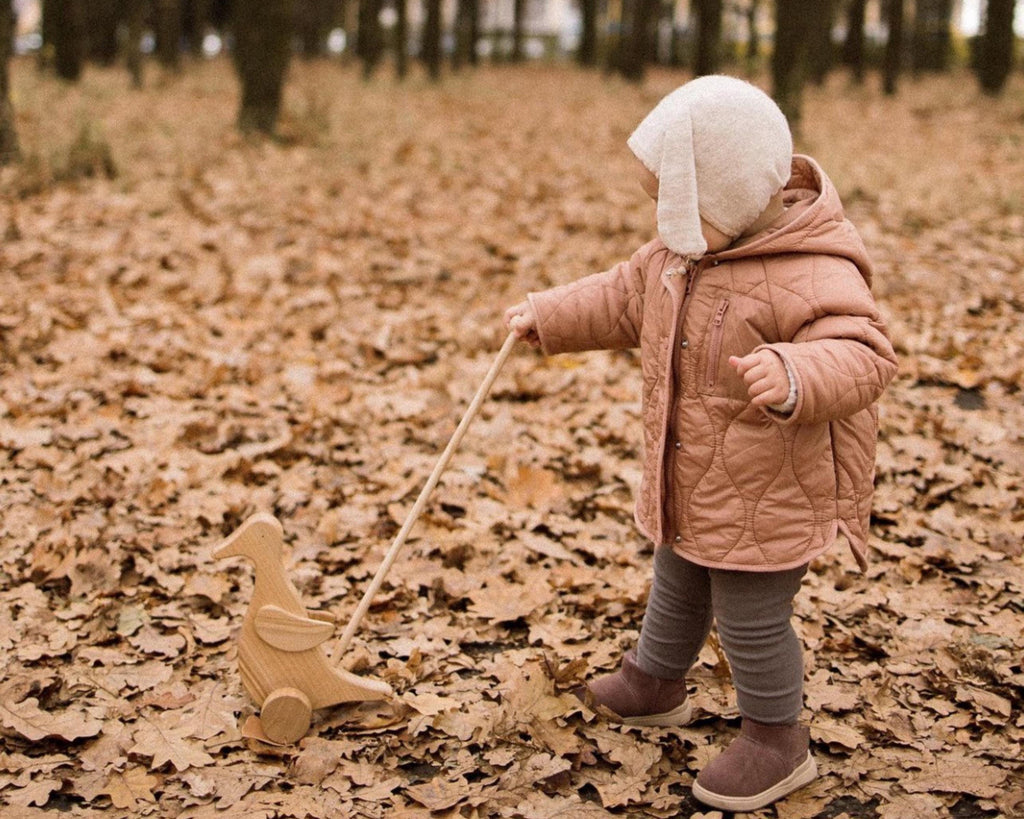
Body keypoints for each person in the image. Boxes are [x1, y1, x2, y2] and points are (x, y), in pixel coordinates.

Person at [504, 75, 897, 813]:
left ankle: (778, 738)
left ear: (730, 195)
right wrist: (548, 314)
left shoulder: (812, 267)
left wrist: (792, 371)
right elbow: (620, 296)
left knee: (750, 616)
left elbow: (864, 351)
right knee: (677, 578)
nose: (666, 218)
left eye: (680, 199)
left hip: (771, 487)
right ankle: (655, 680)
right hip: (693, 475)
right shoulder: (680, 255)